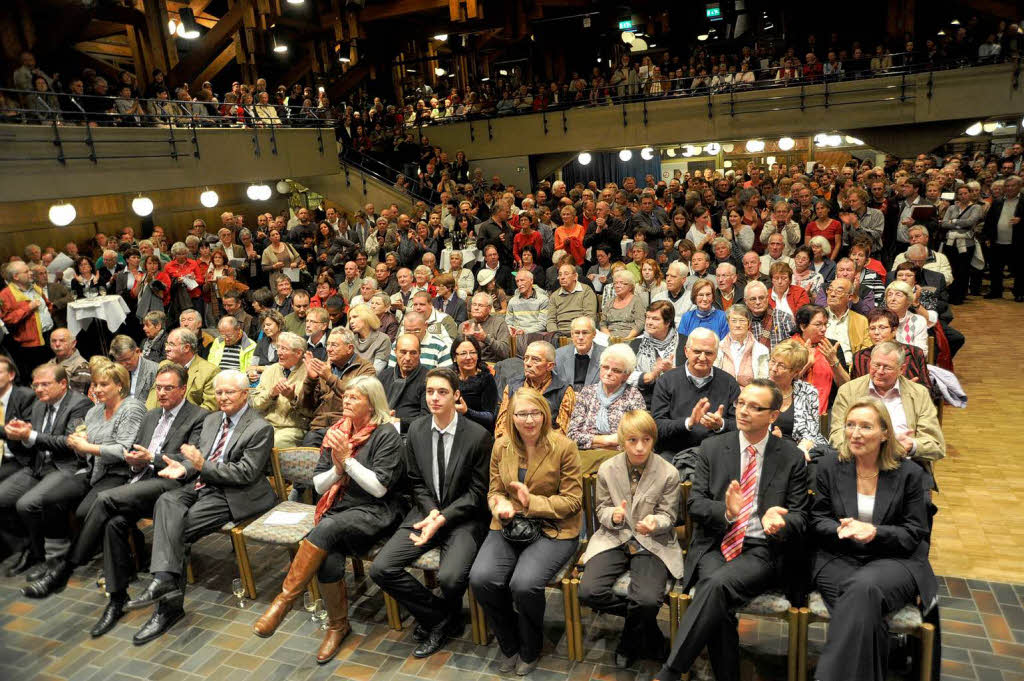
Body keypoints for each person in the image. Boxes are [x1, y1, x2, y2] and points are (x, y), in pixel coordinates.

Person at [19, 365, 207, 634]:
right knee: (113, 523)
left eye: (169, 388)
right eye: (159, 388)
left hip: (171, 485)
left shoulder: (199, 416)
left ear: (183, 389)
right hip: (141, 482)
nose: (162, 393)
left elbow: (191, 459)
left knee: (105, 499)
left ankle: (65, 569)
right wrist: (134, 463)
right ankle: (118, 600)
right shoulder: (152, 415)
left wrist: (151, 459)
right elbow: (132, 454)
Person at [655, 380, 810, 681]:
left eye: (756, 407)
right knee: (718, 598)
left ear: (773, 415)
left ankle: (671, 671)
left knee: (713, 586)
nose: (744, 411)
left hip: (761, 548)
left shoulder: (790, 456)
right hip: (717, 542)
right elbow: (696, 505)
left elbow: (801, 517)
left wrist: (781, 522)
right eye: (741, 404)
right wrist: (726, 512)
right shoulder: (713, 448)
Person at [253, 376, 405, 663]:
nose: (346, 402)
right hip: (341, 506)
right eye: (345, 396)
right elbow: (320, 486)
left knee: (327, 527)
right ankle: (338, 626)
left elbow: (379, 488)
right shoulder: (337, 431)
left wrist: (347, 460)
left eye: (354, 398)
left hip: (377, 510)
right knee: (328, 555)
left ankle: (283, 602)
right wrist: (338, 466)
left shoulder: (386, 434)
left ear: (371, 404)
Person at [127, 370, 277, 644]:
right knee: (167, 500)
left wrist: (199, 466)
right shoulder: (211, 420)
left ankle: (166, 606)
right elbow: (197, 458)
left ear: (245, 394)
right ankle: (164, 582)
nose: (222, 397)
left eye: (229, 392)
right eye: (219, 392)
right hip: (201, 484)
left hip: (234, 494)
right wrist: (182, 469)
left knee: (177, 530)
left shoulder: (260, 428)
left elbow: (244, 473)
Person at [369, 368, 494, 657]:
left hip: (462, 520)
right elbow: (415, 481)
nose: (435, 398)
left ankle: (439, 619)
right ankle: (439, 618)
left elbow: (477, 493)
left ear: (456, 395)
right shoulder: (417, 429)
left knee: (450, 578)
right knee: (382, 568)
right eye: (430, 392)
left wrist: (442, 518)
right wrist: (431, 512)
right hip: (424, 513)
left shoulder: (477, 436)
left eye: (442, 392)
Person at [811, 396, 936, 681]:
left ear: (884, 433)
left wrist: (875, 532)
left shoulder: (910, 474)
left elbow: (915, 533)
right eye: (850, 425)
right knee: (865, 615)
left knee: (862, 589)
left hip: (893, 560)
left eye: (865, 427)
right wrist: (841, 530)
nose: (855, 433)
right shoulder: (830, 466)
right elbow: (817, 520)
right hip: (839, 556)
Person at [468, 387, 582, 676]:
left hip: (553, 527)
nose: (529, 420)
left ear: (545, 414)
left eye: (535, 413)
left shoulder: (564, 447)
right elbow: (494, 490)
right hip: (509, 523)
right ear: (512, 417)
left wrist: (532, 503)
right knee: (481, 578)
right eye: (521, 414)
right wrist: (499, 505)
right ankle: (509, 643)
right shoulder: (501, 446)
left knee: (524, 584)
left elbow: (572, 501)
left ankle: (531, 645)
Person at [578, 410, 683, 667]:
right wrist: (613, 516)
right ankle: (646, 630)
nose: (639, 447)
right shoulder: (607, 469)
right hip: (616, 536)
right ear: (622, 441)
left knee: (647, 600)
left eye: (646, 440)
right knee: (589, 592)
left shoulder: (668, 473)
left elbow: (669, 516)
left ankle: (628, 640)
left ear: (653, 440)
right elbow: (601, 509)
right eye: (632, 440)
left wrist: (654, 522)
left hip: (652, 541)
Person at [0, 364, 91, 576]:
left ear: (62, 384)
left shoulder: (79, 404)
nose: (39, 389)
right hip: (39, 465)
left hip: (68, 467)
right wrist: (21, 436)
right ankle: (30, 547)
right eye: (36, 385)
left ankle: (48, 558)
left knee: (27, 504)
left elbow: (70, 442)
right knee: (2, 498)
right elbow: (33, 440)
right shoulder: (39, 405)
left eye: (45, 384)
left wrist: (29, 436)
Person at [829, 342, 945, 487]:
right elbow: (836, 436)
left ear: (901, 369)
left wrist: (911, 446)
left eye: (887, 367)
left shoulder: (918, 394)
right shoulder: (849, 391)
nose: (880, 371)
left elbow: (936, 445)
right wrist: (865, 451)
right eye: (876, 365)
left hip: (904, 468)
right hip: (858, 467)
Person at [652, 328, 740, 458]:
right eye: (697, 351)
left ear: (716, 354)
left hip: (716, 454)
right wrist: (688, 422)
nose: (702, 358)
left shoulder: (729, 383)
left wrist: (721, 424)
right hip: (674, 452)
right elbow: (657, 426)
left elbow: (740, 424)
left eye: (709, 353)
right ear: (686, 351)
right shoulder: (667, 381)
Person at [567, 344, 647, 474]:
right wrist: (607, 440)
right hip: (586, 457)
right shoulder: (587, 392)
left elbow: (638, 438)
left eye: (616, 370)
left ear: (626, 375)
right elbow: (572, 436)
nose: (608, 373)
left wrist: (591, 441)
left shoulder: (633, 396)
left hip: (620, 459)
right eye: (605, 367)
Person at [765, 339, 830, 459]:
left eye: (781, 366)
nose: (774, 368)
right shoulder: (760, 389)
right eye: (772, 361)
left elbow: (811, 432)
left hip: (800, 448)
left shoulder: (808, 391)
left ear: (796, 372)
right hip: (767, 448)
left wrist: (801, 449)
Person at [494, 341, 575, 436]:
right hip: (514, 446)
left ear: (550, 366)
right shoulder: (512, 387)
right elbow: (501, 428)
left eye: (535, 360)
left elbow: (562, 433)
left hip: (549, 447)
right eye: (526, 358)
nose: (528, 363)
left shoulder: (564, 391)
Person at [251, 332, 311, 448]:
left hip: (293, 427)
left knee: (275, 442)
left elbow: (311, 411)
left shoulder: (310, 373)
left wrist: (292, 398)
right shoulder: (270, 370)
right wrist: (271, 395)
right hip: (266, 424)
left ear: (298, 353)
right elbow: (255, 404)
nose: (278, 352)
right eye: (278, 347)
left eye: (284, 349)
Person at [1, 261, 54, 383]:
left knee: (52, 372)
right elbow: (7, 319)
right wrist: (28, 308)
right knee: (40, 377)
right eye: (26, 271)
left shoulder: (35, 287)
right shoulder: (5, 295)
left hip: (48, 336)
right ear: (15, 277)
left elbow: (47, 305)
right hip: (31, 344)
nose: (31, 273)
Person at [851, 309, 931, 390]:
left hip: (908, 400)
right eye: (872, 328)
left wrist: (912, 390)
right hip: (871, 401)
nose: (876, 332)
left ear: (894, 330)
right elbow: (854, 391)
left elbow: (929, 390)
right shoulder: (859, 357)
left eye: (882, 328)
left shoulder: (914, 353)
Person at [145, 328, 219, 412]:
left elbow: (210, 407)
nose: (166, 348)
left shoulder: (210, 371)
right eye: (167, 344)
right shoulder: (164, 365)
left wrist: (181, 420)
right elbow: (153, 399)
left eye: (171, 344)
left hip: (190, 422)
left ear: (186, 348)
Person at [628, 301, 685, 409]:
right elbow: (625, 375)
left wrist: (672, 371)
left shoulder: (685, 343)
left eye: (655, 319)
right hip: (642, 403)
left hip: (676, 403)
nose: (649, 322)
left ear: (668, 322)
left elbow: (694, 377)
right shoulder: (637, 343)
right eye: (648, 317)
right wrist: (650, 375)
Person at [794, 304, 849, 414]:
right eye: (818, 324)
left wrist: (834, 362)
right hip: (794, 411)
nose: (823, 329)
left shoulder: (832, 347)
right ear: (803, 326)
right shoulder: (789, 346)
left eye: (825, 324)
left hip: (828, 412)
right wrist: (807, 365)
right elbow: (782, 383)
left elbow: (847, 386)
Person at [981, 175, 1023, 301]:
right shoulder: (998, 201)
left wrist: (1021, 220)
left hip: (1018, 242)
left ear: (1020, 187)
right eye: (1007, 186)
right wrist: (987, 237)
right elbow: (989, 221)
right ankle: (995, 291)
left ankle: (1020, 292)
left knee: (1020, 269)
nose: (1009, 188)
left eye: (1013, 186)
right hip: (997, 241)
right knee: (995, 268)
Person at [378, 334, 430, 434]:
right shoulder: (384, 376)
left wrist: (399, 422)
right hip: (381, 429)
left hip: (412, 435)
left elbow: (427, 418)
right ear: (395, 352)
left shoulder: (428, 380)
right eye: (403, 352)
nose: (407, 358)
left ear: (419, 353)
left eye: (413, 353)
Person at [449, 335, 499, 430]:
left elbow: (490, 417)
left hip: (478, 430)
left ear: (478, 355)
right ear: (455, 357)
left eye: (472, 352)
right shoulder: (449, 377)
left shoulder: (486, 378)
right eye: (463, 353)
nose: (469, 357)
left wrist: (466, 411)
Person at [713, 304, 769, 387]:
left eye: (742, 320)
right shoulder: (718, 348)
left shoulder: (761, 350)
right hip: (723, 396)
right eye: (734, 321)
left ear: (749, 323)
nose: (738, 325)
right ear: (728, 323)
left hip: (751, 396)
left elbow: (763, 381)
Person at [554, 317, 605, 392]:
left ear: (594, 334)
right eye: (577, 333)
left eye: (585, 333)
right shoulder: (558, 355)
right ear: (572, 334)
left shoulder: (606, 355)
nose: (580, 337)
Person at [547, 264, 597, 337]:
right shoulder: (554, 295)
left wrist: (577, 332)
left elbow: (589, 317)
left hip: (580, 331)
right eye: (560, 275)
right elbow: (551, 320)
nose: (562, 277)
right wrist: (555, 334)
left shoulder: (586, 291)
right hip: (559, 333)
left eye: (566, 274)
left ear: (575, 276)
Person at [459, 292, 511, 363]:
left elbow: (505, 352)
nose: (476, 308)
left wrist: (485, 338)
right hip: (469, 363)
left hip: (491, 365)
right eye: (474, 304)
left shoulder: (499, 323)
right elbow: (457, 352)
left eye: (480, 305)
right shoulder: (464, 325)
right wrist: (466, 338)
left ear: (489, 308)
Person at [109, 335, 158, 401]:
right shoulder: (117, 372)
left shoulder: (154, 370)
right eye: (120, 361)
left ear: (137, 351)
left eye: (127, 359)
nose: (123, 364)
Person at [600, 270, 646, 340]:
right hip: (609, 338)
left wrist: (628, 338)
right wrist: (609, 338)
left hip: (630, 338)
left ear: (630, 286)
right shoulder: (609, 302)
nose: (617, 286)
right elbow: (603, 324)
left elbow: (640, 323)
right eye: (615, 283)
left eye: (621, 283)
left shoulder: (637, 301)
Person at [883, 280, 928, 351]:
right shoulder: (880, 320)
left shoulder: (918, 321)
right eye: (890, 295)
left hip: (910, 360)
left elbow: (922, 351)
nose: (893, 299)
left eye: (898, 295)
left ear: (908, 300)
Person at [49, 327, 93, 394]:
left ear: (73, 343)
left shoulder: (82, 366)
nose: (57, 344)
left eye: (62, 341)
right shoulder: (50, 363)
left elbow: (75, 398)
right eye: (54, 341)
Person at [348, 304, 391, 372]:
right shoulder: (351, 339)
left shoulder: (383, 339)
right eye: (350, 318)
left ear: (366, 317)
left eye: (355, 317)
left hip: (370, 380)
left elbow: (376, 371)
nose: (351, 321)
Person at [506, 270, 549, 337]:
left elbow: (542, 324)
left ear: (531, 281)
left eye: (522, 280)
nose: (519, 284)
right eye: (517, 281)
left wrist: (525, 331)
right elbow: (508, 322)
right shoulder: (512, 301)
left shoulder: (543, 299)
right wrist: (511, 329)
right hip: (517, 335)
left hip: (536, 335)